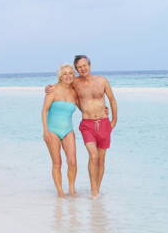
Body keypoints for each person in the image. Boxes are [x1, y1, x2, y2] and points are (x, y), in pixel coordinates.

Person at [46, 55, 118, 198]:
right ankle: (93, 190)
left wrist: (114, 121)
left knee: (101, 159)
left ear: (89, 65)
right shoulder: (75, 82)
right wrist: (48, 88)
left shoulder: (102, 80)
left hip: (104, 123)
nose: (82, 69)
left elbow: (112, 99)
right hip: (87, 124)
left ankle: (97, 188)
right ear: (77, 69)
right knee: (93, 155)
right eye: (79, 67)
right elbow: (61, 85)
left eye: (84, 65)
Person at [42, 64, 79, 197]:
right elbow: (44, 110)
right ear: (60, 76)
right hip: (52, 130)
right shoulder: (52, 90)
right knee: (57, 162)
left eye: (70, 73)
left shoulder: (75, 92)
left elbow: (85, 106)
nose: (68, 76)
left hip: (68, 130)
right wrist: (45, 130)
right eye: (65, 74)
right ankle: (60, 192)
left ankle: (71, 189)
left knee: (72, 161)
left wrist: (100, 110)